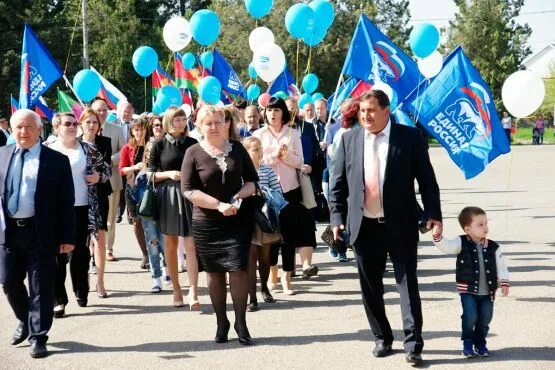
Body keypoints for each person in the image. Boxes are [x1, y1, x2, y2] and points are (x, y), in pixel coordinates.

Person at [329, 90, 442, 365]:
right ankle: (382, 337)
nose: (365, 116)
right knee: (370, 287)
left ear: (386, 110)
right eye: (361, 111)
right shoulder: (349, 139)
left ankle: (413, 344)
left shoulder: (409, 137)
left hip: (400, 224)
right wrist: (336, 219)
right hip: (363, 226)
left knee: (407, 285)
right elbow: (337, 185)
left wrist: (434, 214)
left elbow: (427, 180)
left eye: (370, 110)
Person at [0, 109, 75, 358]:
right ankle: (25, 318)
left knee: (40, 286)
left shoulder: (56, 160)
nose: (23, 132)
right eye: (18, 127)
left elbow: (66, 202)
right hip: (9, 232)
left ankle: (38, 336)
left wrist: (67, 237)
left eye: (28, 127)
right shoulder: (2, 155)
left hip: (40, 232)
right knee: (9, 282)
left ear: (39, 129)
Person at [181, 105, 257, 345]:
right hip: (207, 222)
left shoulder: (238, 149)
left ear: (226, 124)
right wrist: (218, 205)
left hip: (237, 219)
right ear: (199, 126)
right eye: (208, 123)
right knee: (214, 273)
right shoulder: (193, 152)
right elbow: (188, 190)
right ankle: (221, 321)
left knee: (238, 270)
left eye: (218, 122)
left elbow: (253, 182)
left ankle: (241, 322)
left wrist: (236, 198)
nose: (213, 127)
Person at [47, 112, 110, 318]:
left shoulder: (87, 149)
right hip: (55, 211)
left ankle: (81, 289)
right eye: (68, 123)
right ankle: (59, 300)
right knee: (57, 257)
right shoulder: (47, 150)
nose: (73, 126)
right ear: (57, 127)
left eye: (75, 123)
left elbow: (107, 170)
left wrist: (98, 176)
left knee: (80, 254)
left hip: (82, 208)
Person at [253, 97, 318, 294]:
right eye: (269, 110)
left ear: (283, 113)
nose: (272, 114)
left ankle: (287, 277)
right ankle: (272, 274)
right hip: (267, 193)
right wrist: (274, 157)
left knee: (289, 237)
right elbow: (256, 160)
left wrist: (287, 157)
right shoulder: (259, 134)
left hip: (290, 191)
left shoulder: (293, 133)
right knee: (271, 236)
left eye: (277, 110)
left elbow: (302, 162)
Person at [432, 206, 509, 358]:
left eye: (486, 223)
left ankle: (480, 343)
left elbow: (501, 266)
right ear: (467, 229)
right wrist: (438, 237)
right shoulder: (461, 242)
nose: (485, 227)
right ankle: (467, 342)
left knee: (485, 318)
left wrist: (504, 281)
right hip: (467, 290)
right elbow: (446, 247)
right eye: (480, 224)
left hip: (488, 292)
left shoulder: (494, 247)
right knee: (470, 316)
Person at [149, 107, 198, 309]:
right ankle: (176, 288)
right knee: (169, 244)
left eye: (182, 119)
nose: (180, 123)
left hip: (190, 194)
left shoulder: (193, 143)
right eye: (176, 119)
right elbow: (149, 173)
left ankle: (193, 289)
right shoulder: (159, 145)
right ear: (169, 122)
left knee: (191, 244)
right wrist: (168, 174)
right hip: (167, 196)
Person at [242, 136, 279, 311]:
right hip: (246, 216)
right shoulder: (240, 171)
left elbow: (279, 193)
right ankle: (252, 297)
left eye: (260, 148)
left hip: (264, 218)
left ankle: (264, 288)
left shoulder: (268, 170)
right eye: (255, 149)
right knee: (250, 257)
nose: (259, 152)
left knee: (265, 258)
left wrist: (263, 191)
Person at [79, 108, 112, 297]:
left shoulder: (104, 143)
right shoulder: (73, 144)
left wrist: (98, 177)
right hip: (77, 197)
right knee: (81, 242)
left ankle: (100, 282)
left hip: (98, 195)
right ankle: (82, 281)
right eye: (88, 122)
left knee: (99, 239)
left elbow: (108, 172)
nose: (91, 125)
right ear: (81, 123)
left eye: (94, 122)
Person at [92, 98, 125, 262]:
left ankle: (108, 248)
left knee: (110, 216)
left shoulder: (117, 130)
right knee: (91, 216)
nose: (102, 113)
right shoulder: (86, 129)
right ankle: (92, 248)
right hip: (90, 182)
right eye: (98, 110)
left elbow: (124, 151)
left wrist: (110, 160)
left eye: (105, 109)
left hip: (111, 178)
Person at [119, 118, 149, 269]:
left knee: (152, 220)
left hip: (150, 187)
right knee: (137, 221)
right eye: (136, 129)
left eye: (142, 129)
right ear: (132, 131)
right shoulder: (127, 148)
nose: (139, 132)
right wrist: (133, 168)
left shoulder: (152, 145)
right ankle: (145, 254)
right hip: (133, 188)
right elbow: (122, 169)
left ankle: (156, 251)